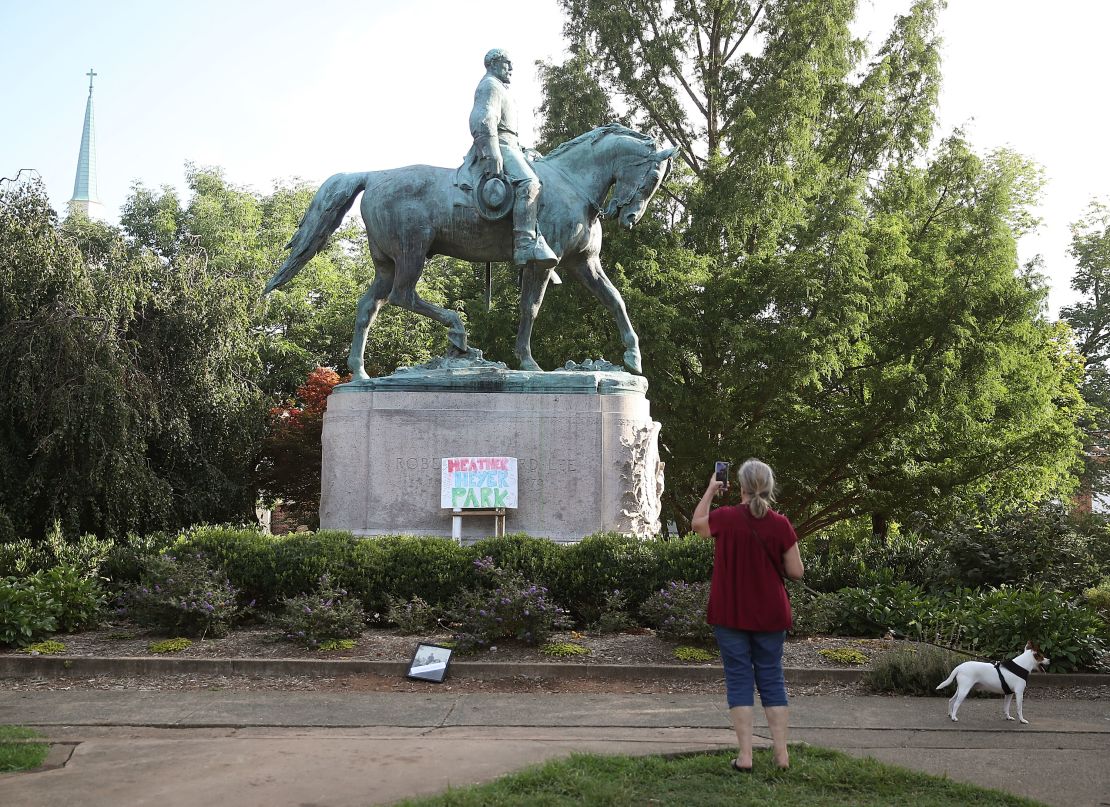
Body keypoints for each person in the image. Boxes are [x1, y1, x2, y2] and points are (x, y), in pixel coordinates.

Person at [692, 458, 805, 773]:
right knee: (771, 677)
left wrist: (711, 490)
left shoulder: (726, 518)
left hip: (731, 613)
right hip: (771, 613)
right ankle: (781, 755)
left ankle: (745, 757)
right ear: (769, 487)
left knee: (739, 678)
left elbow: (697, 525)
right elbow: (796, 571)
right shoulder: (780, 524)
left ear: (739, 486)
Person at [468, 48, 559, 271]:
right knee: (530, 183)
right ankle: (524, 243)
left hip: (511, 145)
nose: (511, 68)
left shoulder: (500, 88)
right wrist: (491, 152)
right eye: (507, 63)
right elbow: (483, 120)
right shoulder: (490, 85)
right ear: (493, 63)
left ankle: (539, 241)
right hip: (498, 145)